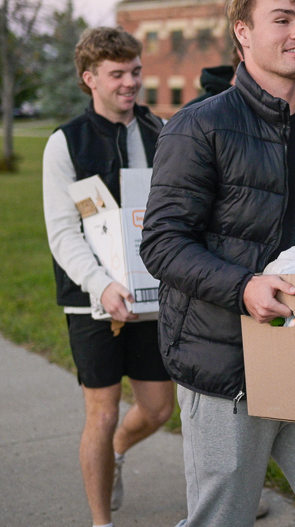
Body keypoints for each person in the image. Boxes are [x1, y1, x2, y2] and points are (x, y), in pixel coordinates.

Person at [140, 0, 295, 527]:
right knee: (223, 519)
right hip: (226, 363)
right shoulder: (199, 127)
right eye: (283, 19)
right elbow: (163, 243)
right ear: (242, 32)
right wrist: (244, 288)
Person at [42, 27, 175, 527]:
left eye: (136, 71)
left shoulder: (160, 131)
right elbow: (62, 233)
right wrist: (101, 284)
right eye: (117, 74)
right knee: (101, 413)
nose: (130, 83)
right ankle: (102, 522)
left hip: (151, 292)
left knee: (159, 409)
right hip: (90, 299)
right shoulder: (66, 143)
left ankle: (119, 449)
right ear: (89, 78)